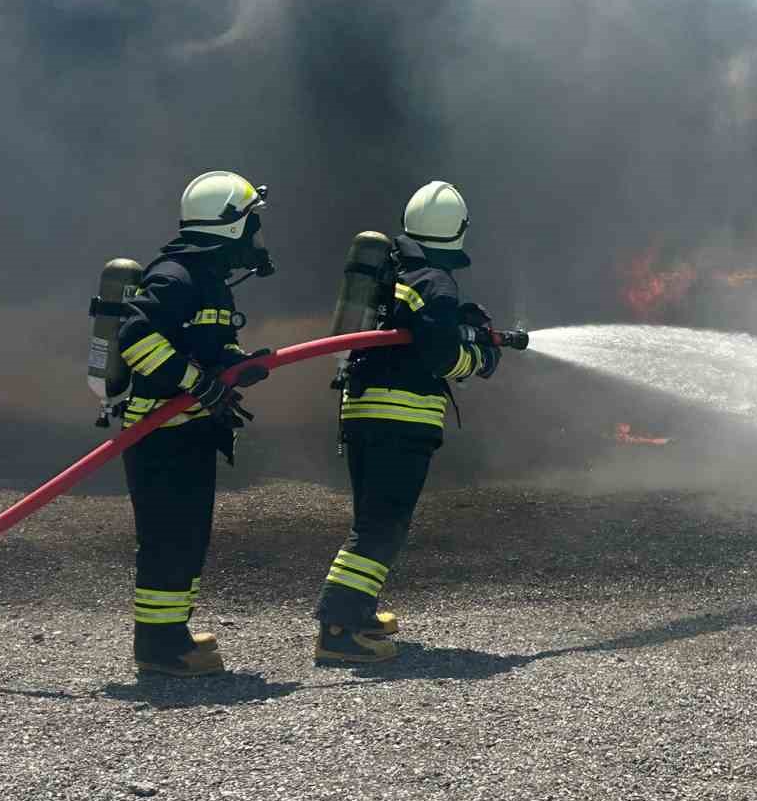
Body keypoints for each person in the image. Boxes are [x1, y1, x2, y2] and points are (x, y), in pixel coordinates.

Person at [315, 181, 500, 664]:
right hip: (401, 419)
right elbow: (440, 358)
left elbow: (414, 330)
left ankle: (359, 609)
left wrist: (459, 320)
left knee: (372, 520)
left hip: (362, 410)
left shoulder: (398, 272)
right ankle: (339, 628)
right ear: (459, 230)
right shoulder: (435, 281)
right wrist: (479, 358)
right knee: (383, 525)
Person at [117, 171, 275, 677]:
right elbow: (136, 338)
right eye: (252, 224)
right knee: (168, 537)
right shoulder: (175, 276)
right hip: (159, 434)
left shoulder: (207, 282)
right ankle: (159, 648)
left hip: (187, 431)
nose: (256, 236)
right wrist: (195, 381)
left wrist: (235, 362)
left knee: (188, 536)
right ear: (230, 225)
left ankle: (173, 632)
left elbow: (206, 346)